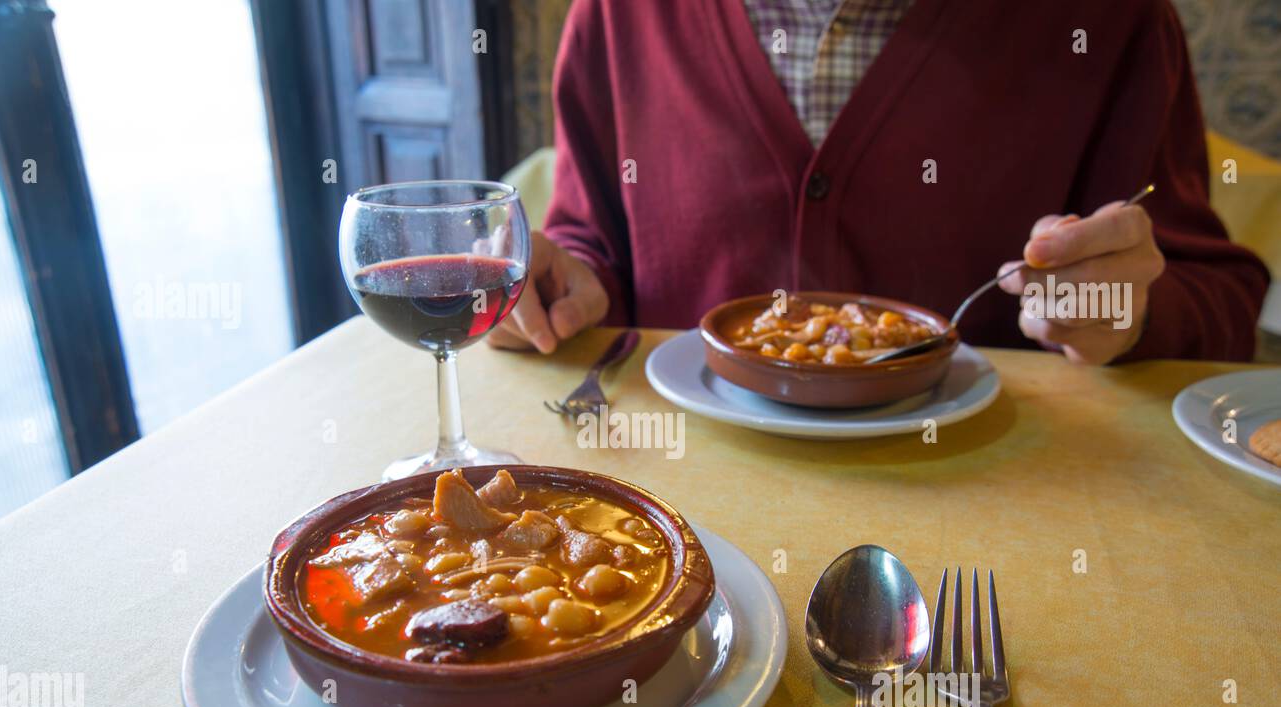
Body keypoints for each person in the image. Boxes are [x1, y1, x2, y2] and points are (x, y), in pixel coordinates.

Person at [487, 0, 1269, 364]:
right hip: (688, 522)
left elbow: (1221, 301)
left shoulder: (1111, 22)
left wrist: (1129, 315)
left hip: (999, 535)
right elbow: (598, 253)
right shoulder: (619, 16)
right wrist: (567, 285)